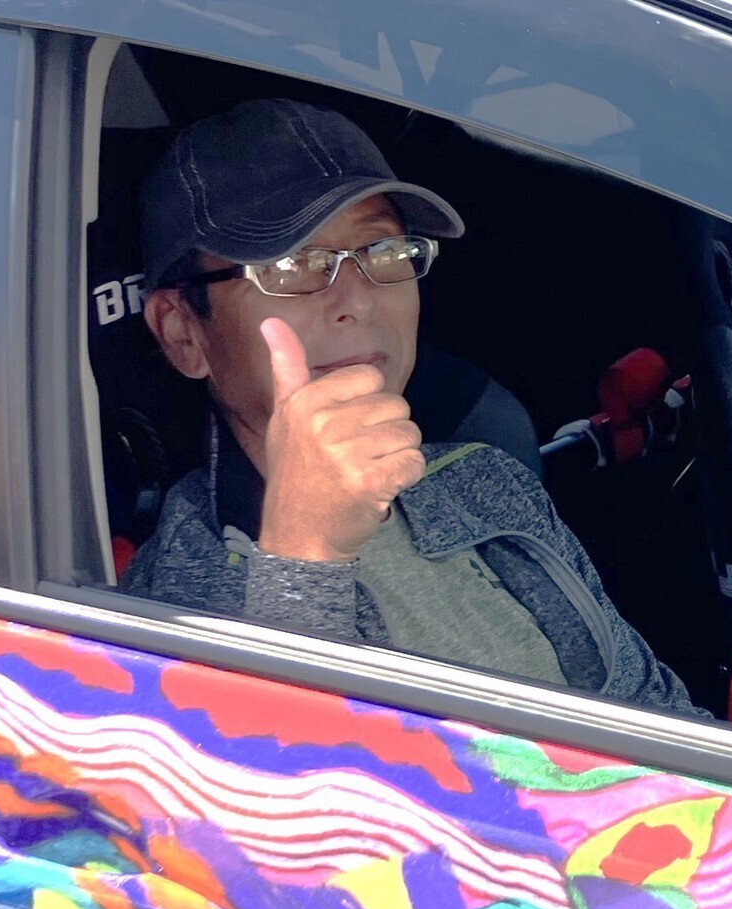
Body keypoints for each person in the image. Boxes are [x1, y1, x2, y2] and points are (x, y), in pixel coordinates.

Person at [122, 98, 698, 714]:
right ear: (183, 333)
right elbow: (254, 764)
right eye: (293, 264)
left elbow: (657, 709)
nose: (358, 299)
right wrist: (303, 558)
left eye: (383, 252)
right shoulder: (163, 600)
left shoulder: (484, 479)